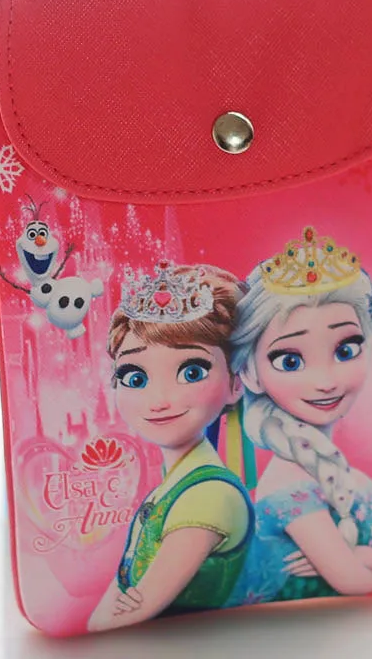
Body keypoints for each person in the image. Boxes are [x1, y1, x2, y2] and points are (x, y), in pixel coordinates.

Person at [227, 227, 372, 605]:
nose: (325, 381)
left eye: (346, 350)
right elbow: (358, 582)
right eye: (290, 361)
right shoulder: (288, 486)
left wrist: (371, 560)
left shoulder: (351, 478)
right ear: (250, 373)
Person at [88, 262, 253, 631]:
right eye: (135, 377)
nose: (159, 400)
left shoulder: (208, 494)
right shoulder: (176, 485)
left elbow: (130, 612)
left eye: (192, 371)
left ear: (236, 383)